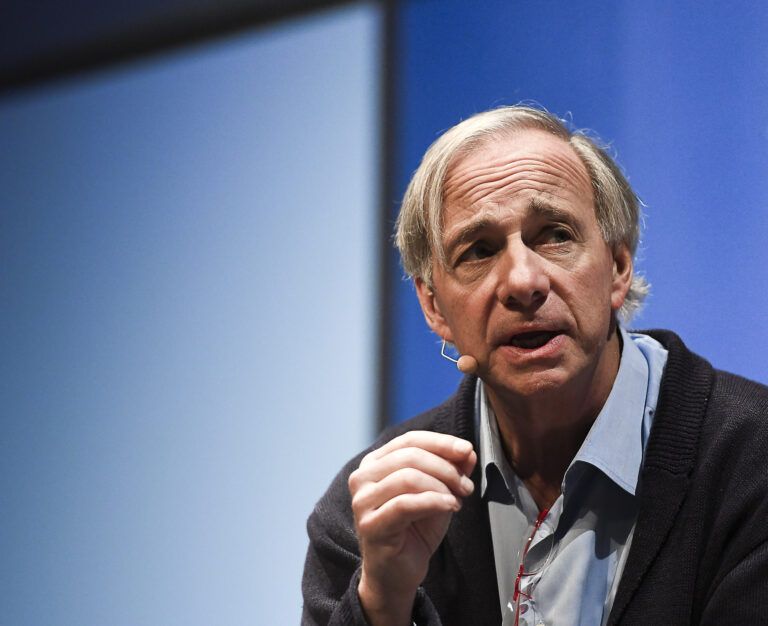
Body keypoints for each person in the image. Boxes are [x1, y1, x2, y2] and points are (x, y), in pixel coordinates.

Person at [301, 106, 768, 625]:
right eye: (479, 250)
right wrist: (382, 603)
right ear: (434, 306)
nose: (523, 281)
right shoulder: (372, 516)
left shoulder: (753, 462)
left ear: (617, 267)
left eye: (555, 235)